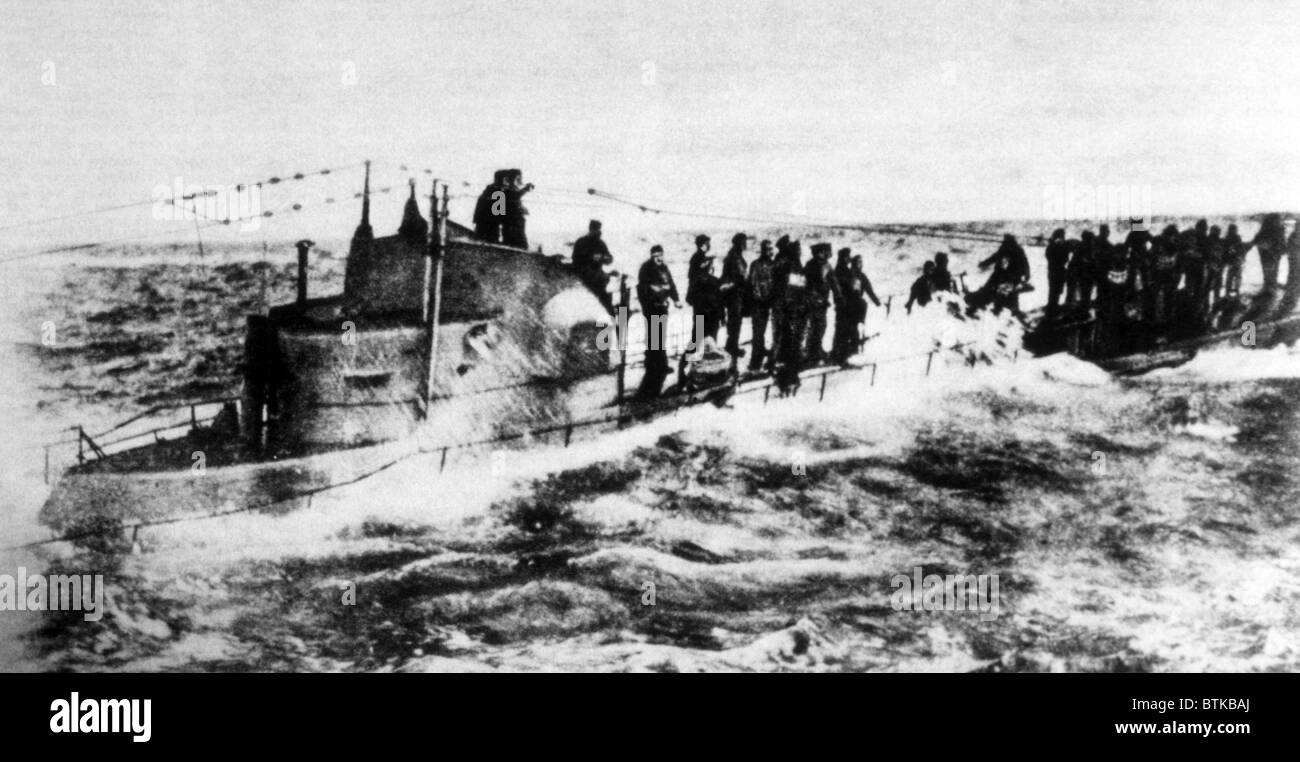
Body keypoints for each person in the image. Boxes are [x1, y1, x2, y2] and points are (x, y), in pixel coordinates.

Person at [635, 245, 681, 398]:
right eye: (656, 256)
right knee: (654, 337)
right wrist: (660, 289)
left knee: (660, 336)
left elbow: (671, 284)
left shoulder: (664, 268)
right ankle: (654, 366)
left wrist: (676, 299)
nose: (659, 258)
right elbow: (644, 289)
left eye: (660, 255)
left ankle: (661, 365)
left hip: (662, 306)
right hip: (652, 307)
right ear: (651, 256)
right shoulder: (646, 269)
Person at [774, 241, 809, 392]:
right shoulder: (791, 265)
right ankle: (787, 380)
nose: (800, 252)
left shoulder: (794, 264)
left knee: (791, 344)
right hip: (791, 310)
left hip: (793, 309)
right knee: (790, 344)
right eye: (798, 249)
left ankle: (789, 378)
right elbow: (794, 288)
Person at [836, 253, 881, 363]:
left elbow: (869, 290)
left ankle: (852, 352)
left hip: (857, 307)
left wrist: (877, 302)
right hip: (849, 307)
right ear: (853, 263)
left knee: (855, 329)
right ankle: (847, 354)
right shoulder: (849, 275)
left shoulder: (861, 276)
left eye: (861, 262)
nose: (860, 264)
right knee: (850, 329)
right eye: (858, 262)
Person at [803, 242, 842, 365]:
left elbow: (834, 283)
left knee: (819, 326)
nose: (830, 253)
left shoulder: (824, 265)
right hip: (814, 302)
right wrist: (816, 299)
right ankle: (813, 353)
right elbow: (807, 285)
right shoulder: (814, 266)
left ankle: (815, 350)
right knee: (816, 327)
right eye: (828, 250)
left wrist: (838, 297)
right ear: (822, 252)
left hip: (821, 302)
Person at [571, 220, 614, 313]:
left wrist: (603, 258)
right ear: (590, 230)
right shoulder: (581, 242)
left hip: (597, 274)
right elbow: (575, 259)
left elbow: (609, 258)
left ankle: (609, 319)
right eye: (595, 230)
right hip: (583, 274)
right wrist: (591, 257)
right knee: (599, 298)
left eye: (598, 230)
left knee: (605, 296)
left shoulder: (600, 243)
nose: (597, 232)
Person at [746, 240, 776, 373]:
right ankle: (687, 368)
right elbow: (752, 285)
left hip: (705, 314)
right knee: (698, 337)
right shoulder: (756, 265)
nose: (770, 252)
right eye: (767, 249)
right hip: (701, 315)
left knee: (702, 339)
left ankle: (693, 368)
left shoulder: (773, 265)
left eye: (771, 249)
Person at [979, 234, 1030, 311]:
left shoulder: (1007, 248)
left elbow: (996, 257)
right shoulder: (1018, 249)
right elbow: (1025, 262)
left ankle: (996, 306)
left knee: (998, 289)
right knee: (1007, 291)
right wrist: (1027, 274)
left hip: (1009, 275)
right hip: (1012, 275)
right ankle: (1010, 308)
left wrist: (985, 263)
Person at [720, 233, 749, 360]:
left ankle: (732, 346)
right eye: (743, 242)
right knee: (734, 322)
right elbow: (738, 276)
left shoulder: (735, 256)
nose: (745, 244)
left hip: (737, 294)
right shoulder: (733, 258)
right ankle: (731, 348)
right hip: (734, 295)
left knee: (736, 323)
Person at [1250, 213, 1287, 291]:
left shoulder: (1273, 230)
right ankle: (1270, 285)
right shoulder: (1277, 230)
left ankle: (1269, 285)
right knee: (1272, 270)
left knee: (1270, 270)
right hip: (1270, 254)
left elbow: (1255, 240)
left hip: (1269, 254)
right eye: (1277, 220)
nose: (1278, 222)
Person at [501, 169, 534, 249]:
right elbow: (515, 196)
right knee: (518, 241)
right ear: (517, 177)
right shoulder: (509, 189)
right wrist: (526, 189)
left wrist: (522, 208)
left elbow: (515, 199)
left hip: (514, 219)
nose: (521, 179)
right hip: (513, 220)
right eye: (519, 177)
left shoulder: (511, 188)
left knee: (516, 239)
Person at [472, 170, 508, 243]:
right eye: (506, 180)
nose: (507, 183)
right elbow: (498, 213)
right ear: (500, 180)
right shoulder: (498, 192)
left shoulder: (488, 190)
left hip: (483, 223)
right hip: (490, 225)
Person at [1044, 228, 1070, 319]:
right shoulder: (1061, 245)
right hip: (1059, 271)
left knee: (1052, 290)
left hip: (1052, 270)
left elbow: (1048, 256)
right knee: (1057, 290)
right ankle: (1053, 308)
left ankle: (1051, 306)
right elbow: (1065, 258)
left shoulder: (1050, 246)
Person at [1223, 223, 1246, 298]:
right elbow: (1240, 248)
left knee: (1232, 276)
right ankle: (1235, 291)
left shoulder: (1228, 238)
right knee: (1236, 276)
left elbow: (1239, 248)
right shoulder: (1235, 237)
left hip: (1233, 260)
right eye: (1235, 229)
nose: (1235, 231)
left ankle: (1229, 292)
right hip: (1235, 260)